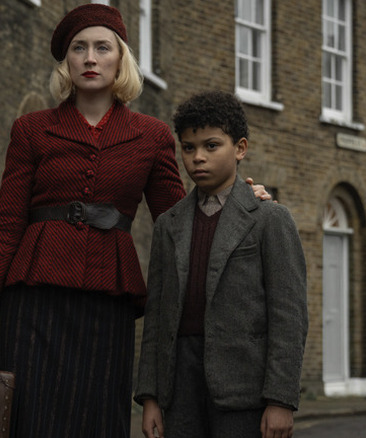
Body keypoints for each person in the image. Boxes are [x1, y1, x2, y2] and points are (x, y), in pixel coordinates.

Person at [0, 5, 270, 438]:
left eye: (102, 47)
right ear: (66, 61)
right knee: (31, 420)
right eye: (78, 48)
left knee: (98, 419)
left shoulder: (153, 135)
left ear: (120, 58)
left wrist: (238, 198)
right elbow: (7, 222)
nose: (90, 57)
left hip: (108, 302)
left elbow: (178, 219)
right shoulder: (31, 130)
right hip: (33, 302)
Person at [134, 90, 308, 438]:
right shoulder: (169, 225)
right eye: (188, 147)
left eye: (211, 146)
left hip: (246, 392)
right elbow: (157, 318)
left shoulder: (270, 219)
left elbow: (289, 315)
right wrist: (151, 396)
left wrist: (281, 399)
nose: (198, 157)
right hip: (179, 389)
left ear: (240, 148)